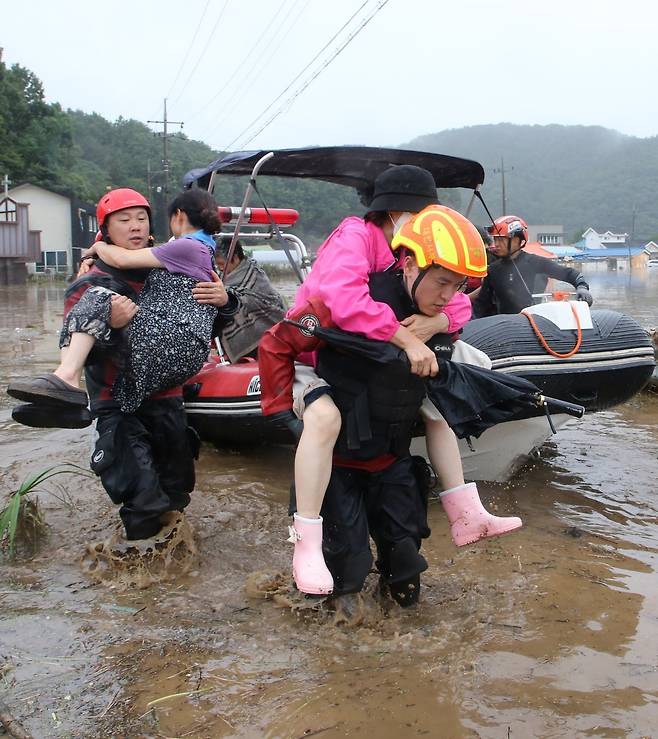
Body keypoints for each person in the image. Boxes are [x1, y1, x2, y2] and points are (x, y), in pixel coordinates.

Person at [258, 187, 519, 595]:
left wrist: (438, 322)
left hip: (390, 458)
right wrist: (278, 410)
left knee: (406, 568)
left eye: (458, 285)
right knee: (347, 575)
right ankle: (307, 546)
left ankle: (465, 510)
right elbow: (282, 339)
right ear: (410, 264)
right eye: (442, 283)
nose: (448, 296)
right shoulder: (349, 293)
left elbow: (459, 309)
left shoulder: (439, 311)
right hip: (340, 457)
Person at [8, 188, 230, 540]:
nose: (135, 226)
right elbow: (73, 339)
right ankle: (138, 581)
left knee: (177, 491)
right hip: (117, 402)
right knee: (142, 499)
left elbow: (200, 327)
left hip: (166, 398)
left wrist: (225, 301)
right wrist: (112, 326)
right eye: (123, 220)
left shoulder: (166, 264)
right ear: (106, 230)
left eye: (141, 218)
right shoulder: (93, 279)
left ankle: (174, 571)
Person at [472, 215, 594, 318]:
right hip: (506, 329)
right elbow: (481, 305)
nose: (496, 244)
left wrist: (582, 287)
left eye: (501, 240)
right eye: (495, 239)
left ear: (517, 240)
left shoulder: (535, 262)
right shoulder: (493, 269)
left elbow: (571, 274)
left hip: (533, 325)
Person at [194, 236, 286, 362]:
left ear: (235, 257)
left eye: (222, 264)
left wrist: (228, 298)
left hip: (265, 332)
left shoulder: (254, 274)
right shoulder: (221, 275)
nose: (220, 268)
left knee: (231, 306)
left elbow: (260, 301)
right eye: (217, 264)